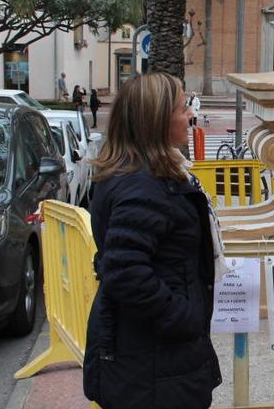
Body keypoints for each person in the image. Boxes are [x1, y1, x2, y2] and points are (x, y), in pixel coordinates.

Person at [83, 73, 224, 409]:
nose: (189, 115)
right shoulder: (143, 185)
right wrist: (182, 317)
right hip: (153, 362)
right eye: (181, 108)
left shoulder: (142, 174)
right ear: (157, 121)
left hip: (154, 357)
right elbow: (125, 271)